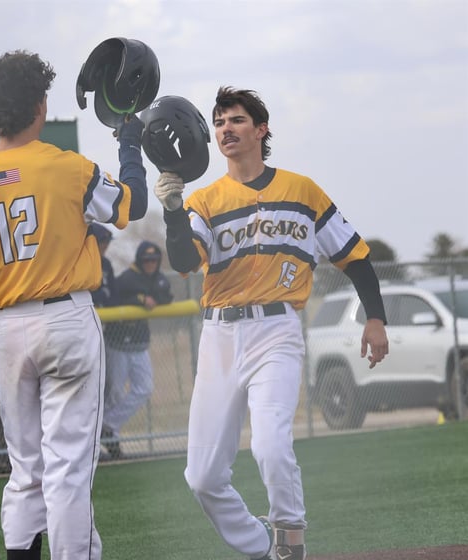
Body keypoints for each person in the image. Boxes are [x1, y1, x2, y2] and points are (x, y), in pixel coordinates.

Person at [153, 86, 389, 560]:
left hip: (277, 332)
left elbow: (355, 258)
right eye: (219, 122)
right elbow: (182, 261)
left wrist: (376, 318)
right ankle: (260, 543)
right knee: (201, 476)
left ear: (261, 130)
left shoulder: (302, 191)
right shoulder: (205, 200)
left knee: (271, 447)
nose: (225, 129)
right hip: (219, 336)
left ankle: (290, 541)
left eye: (236, 120)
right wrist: (173, 212)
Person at [0, 50, 147, 560]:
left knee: (27, 468)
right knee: (68, 470)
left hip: (7, 330)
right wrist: (130, 143)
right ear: (38, 105)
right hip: (67, 318)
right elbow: (132, 205)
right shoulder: (68, 167)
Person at [101, 241, 173, 459]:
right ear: (140, 261)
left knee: (144, 388)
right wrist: (139, 299)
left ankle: (106, 425)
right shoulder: (126, 279)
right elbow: (114, 299)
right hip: (117, 344)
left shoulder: (158, 278)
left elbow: (166, 295)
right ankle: (109, 441)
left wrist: (152, 299)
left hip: (140, 344)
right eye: (147, 260)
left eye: (154, 260)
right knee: (114, 393)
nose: (151, 264)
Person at [89, 224, 117, 308]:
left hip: (105, 314)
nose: (105, 245)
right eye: (102, 241)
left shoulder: (106, 264)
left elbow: (114, 292)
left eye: (108, 241)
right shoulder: (82, 263)